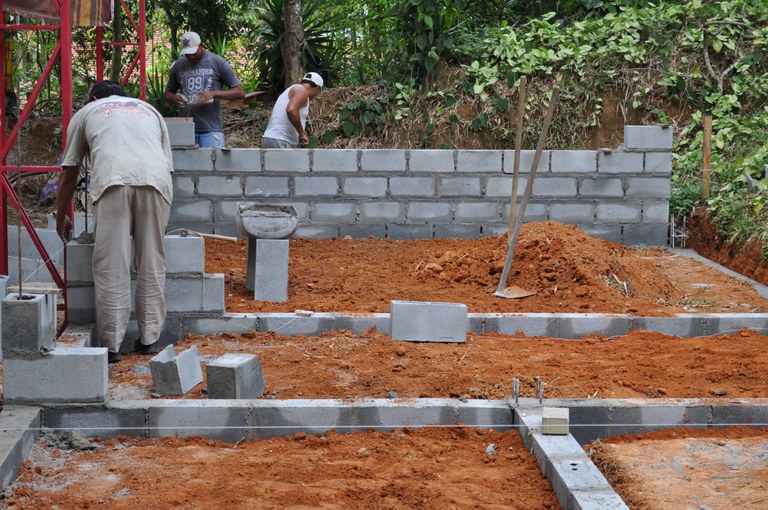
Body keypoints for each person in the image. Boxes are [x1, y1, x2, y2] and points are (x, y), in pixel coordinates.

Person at [56, 80, 174, 363]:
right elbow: (167, 164)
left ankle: (112, 346)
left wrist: (61, 216)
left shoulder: (88, 112)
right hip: (157, 184)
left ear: (94, 97)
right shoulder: (149, 110)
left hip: (112, 183)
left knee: (112, 265)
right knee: (152, 261)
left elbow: (69, 171)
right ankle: (150, 340)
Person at [164, 31, 244, 148]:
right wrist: (174, 98)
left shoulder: (217, 62)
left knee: (212, 164)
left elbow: (240, 92)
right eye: (187, 53)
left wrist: (214, 94)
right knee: (186, 166)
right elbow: (167, 94)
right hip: (186, 129)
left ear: (202, 45)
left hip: (210, 130)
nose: (191, 56)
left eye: (193, 52)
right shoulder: (178, 65)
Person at [262, 72, 324, 148]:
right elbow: (291, 110)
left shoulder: (296, 90)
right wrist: (302, 133)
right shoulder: (301, 90)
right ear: (317, 89)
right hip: (280, 140)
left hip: (276, 140)